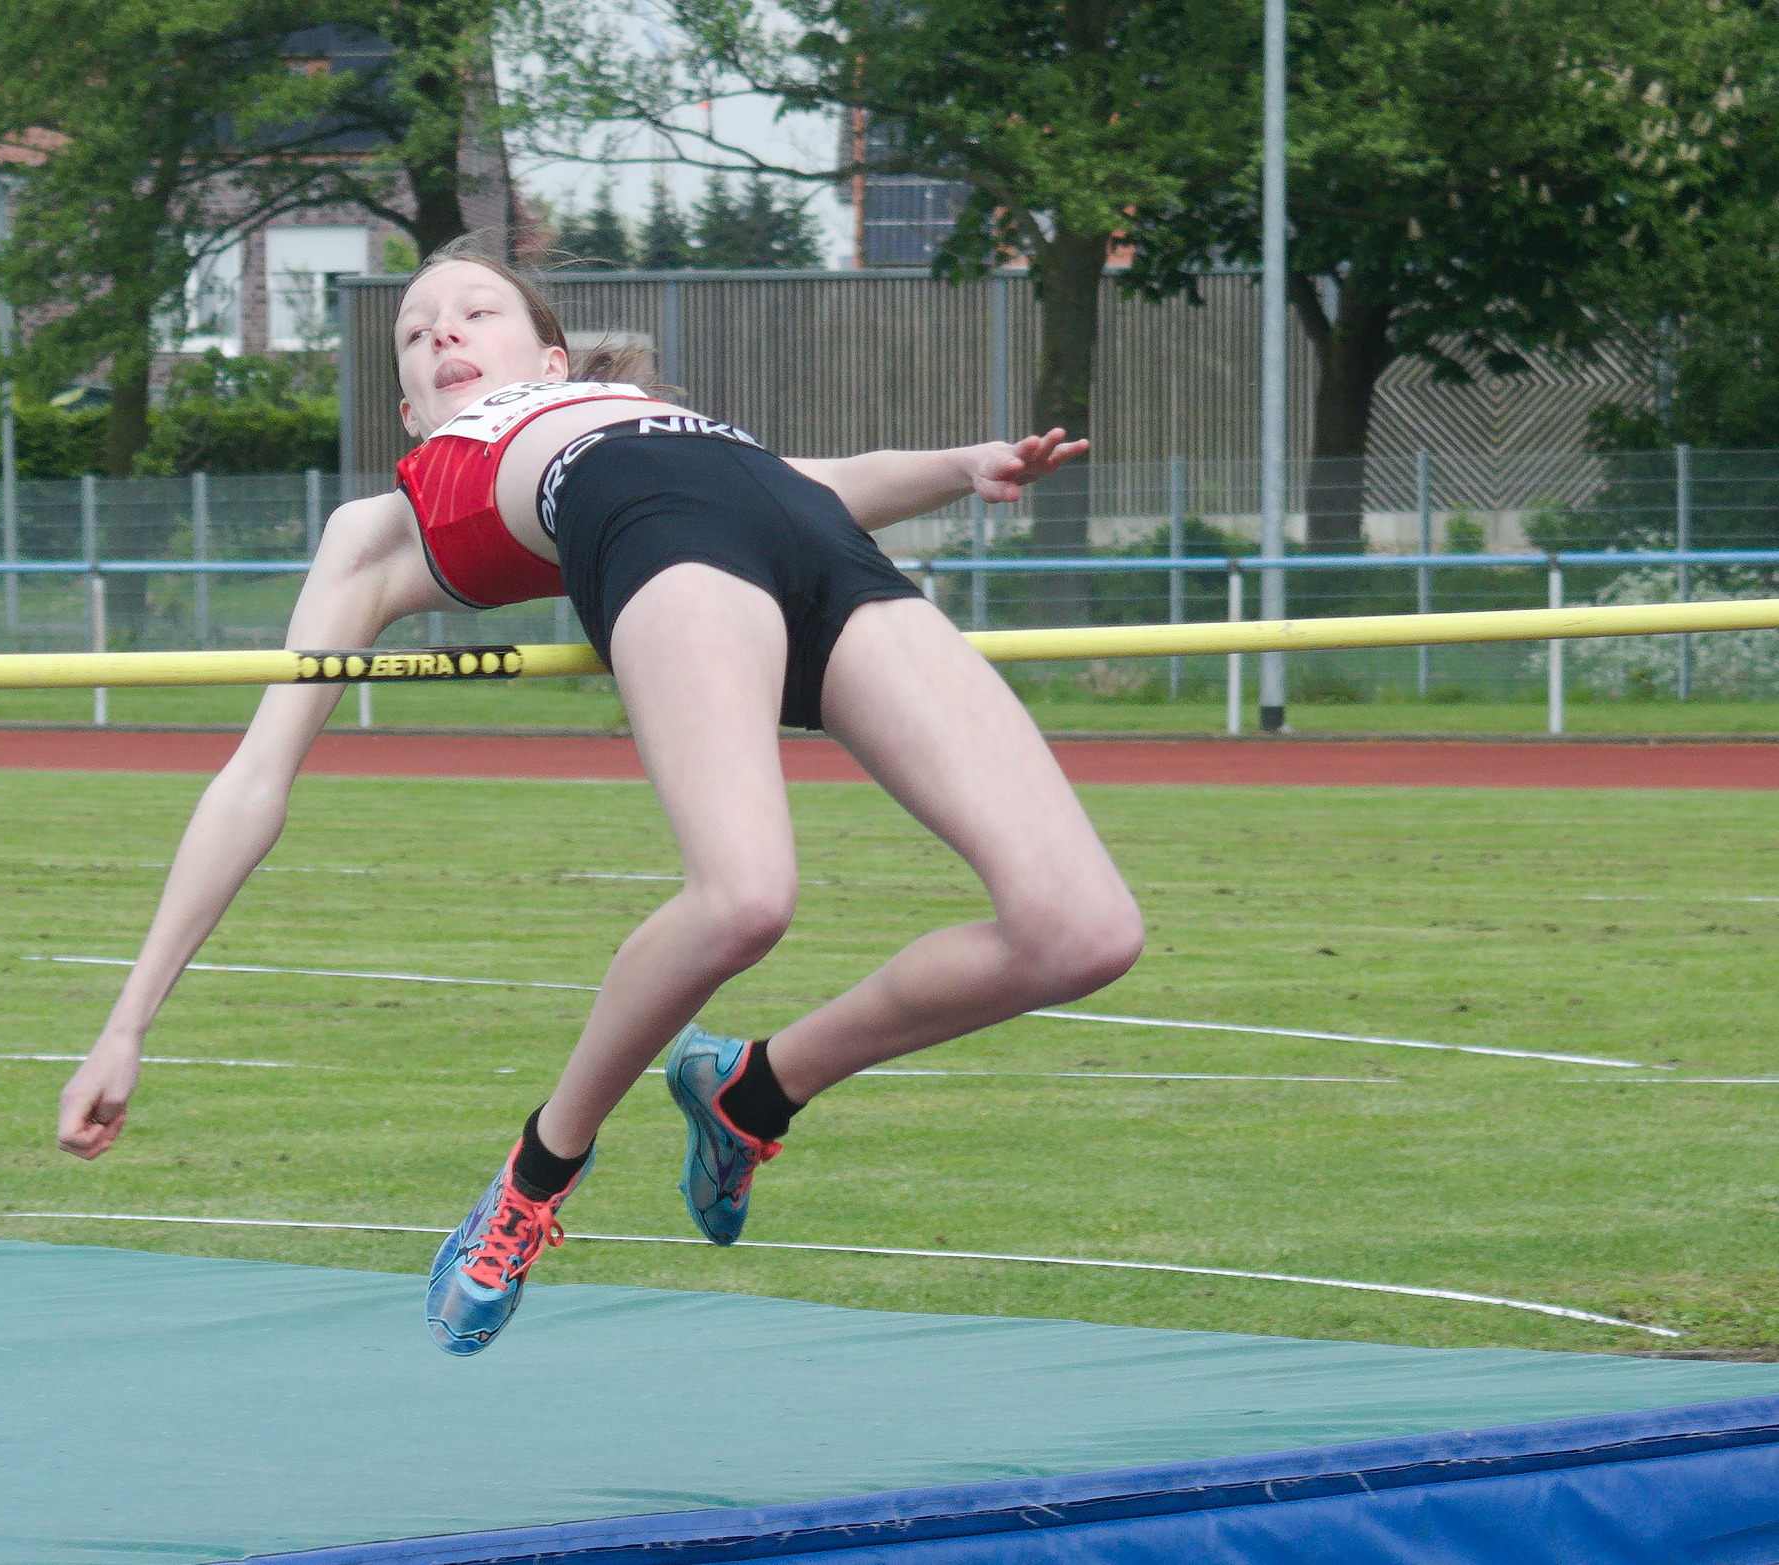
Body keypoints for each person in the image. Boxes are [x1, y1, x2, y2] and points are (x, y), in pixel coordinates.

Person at [56, 237, 1143, 1356]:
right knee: (742, 897)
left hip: (814, 544)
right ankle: (535, 1172)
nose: (442, 332)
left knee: (1083, 929)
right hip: (658, 538)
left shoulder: (630, 407)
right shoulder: (379, 530)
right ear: (410, 413)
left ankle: (752, 1090)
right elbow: (254, 775)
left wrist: (958, 465)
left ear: (552, 356)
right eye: (416, 331)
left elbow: (822, 482)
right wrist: (124, 1023)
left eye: (475, 312)